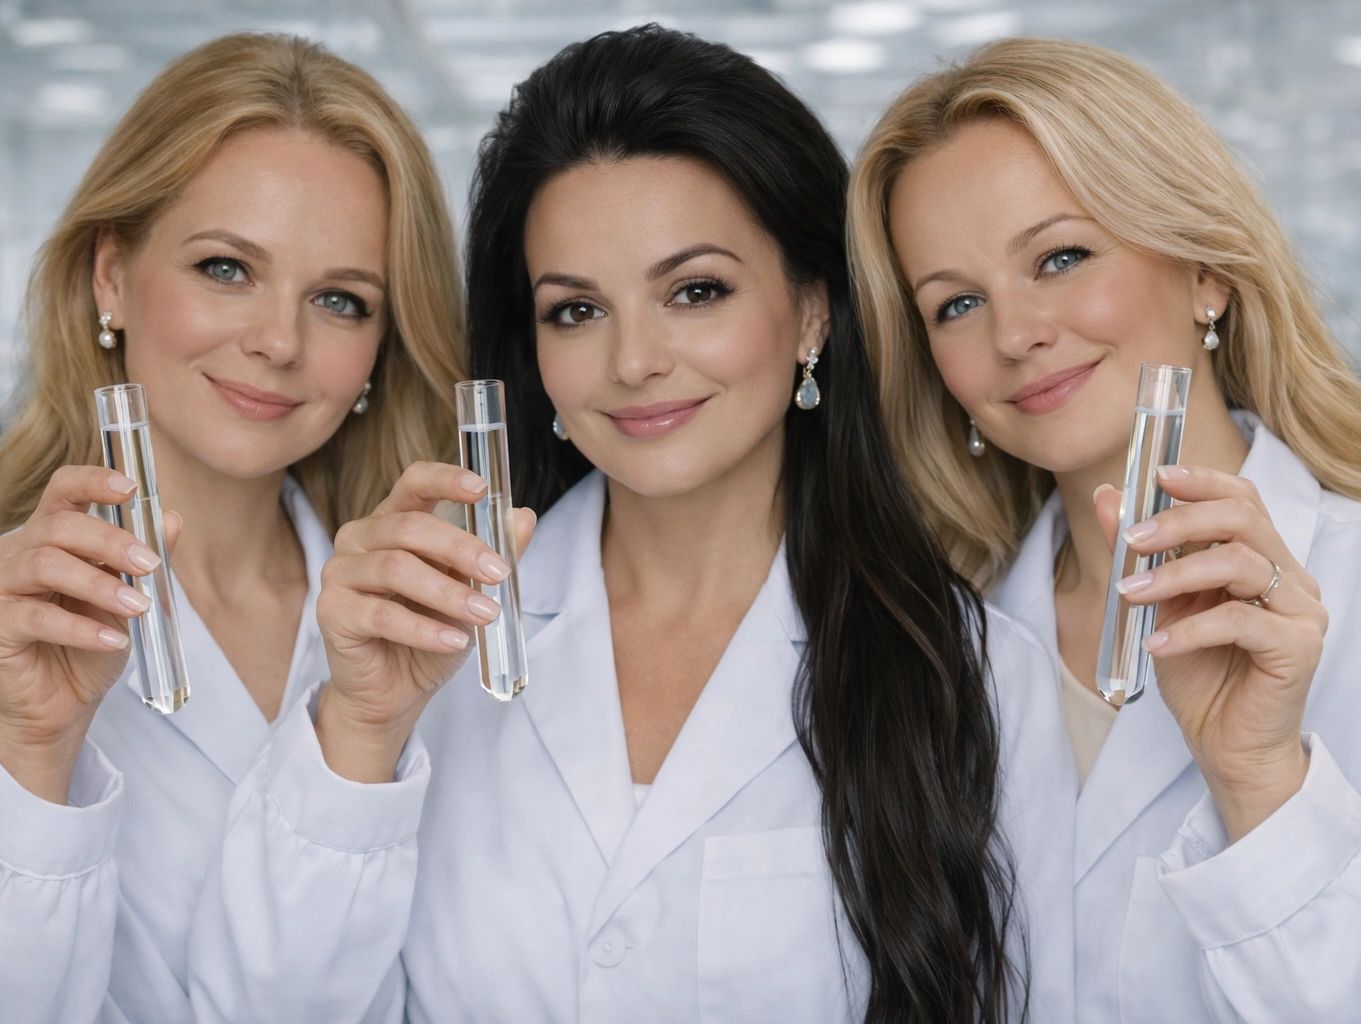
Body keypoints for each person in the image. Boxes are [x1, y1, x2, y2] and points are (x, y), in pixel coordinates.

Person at [186, 25, 1077, 1023]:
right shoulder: (422, 640)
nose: (634, 360)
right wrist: (358, 729)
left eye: (694, 291)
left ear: (812, 312)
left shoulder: (979, 673)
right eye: (575, 311)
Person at [848, 35, 1361, 1022]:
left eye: (1060, 256)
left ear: (1205, 267)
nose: (1012, 333)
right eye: (954, 303)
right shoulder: (940, 645)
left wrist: (1256, 782)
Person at [0, 32, 466, 1023]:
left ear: (384, 342)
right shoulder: (11, 612)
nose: (278, 342)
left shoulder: (426, 624)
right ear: (111, 277)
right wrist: (29, 756)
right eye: (225, 268)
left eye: (340, 300)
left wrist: (361, 731)